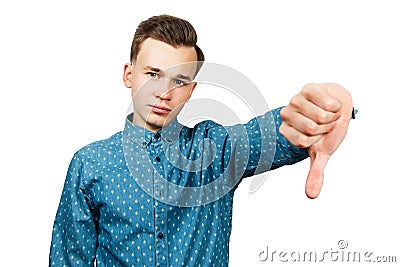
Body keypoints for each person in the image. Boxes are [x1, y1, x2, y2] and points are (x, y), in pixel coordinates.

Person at [49, 14, 354, 266]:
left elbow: (276, 132)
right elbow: (67, 258)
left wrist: (329, 107)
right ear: (129, 75)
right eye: (153, 74)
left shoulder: (216, 149)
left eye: (178, 80)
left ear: (191, 90)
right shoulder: (90, 163)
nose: (164, 92)